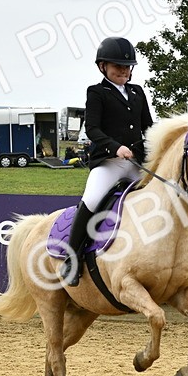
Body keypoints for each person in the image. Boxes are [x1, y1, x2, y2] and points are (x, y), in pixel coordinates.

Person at [57, 37, 154, 286]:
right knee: (91, 200)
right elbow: (92, 128)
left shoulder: (137, 92)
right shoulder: (97, 92)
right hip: (110, 162)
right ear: (103, 66)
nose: (123, 71)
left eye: (127, 66)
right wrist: (115, 147)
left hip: (136, 163)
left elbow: (148, 126)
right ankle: (72, 258)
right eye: (117, 66)